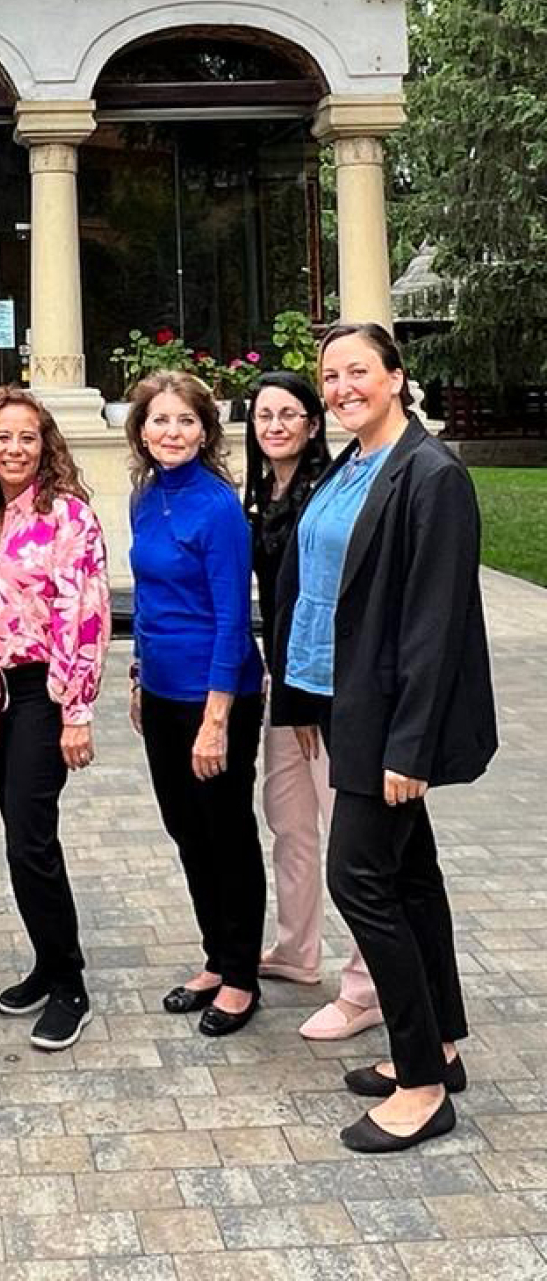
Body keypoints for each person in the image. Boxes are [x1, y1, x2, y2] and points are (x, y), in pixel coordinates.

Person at [274, 322, 497, 1154]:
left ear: (397, 376)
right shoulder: (355, 460)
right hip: (341, 700)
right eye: (329, 376)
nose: (339, 388)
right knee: (408, 875)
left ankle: (423, 1085)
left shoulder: (430, 474)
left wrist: (409, 748)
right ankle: (438, 1040)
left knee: (359, 877)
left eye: (357, 371)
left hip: (388, 718)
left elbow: (436, 623)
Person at [0, 386, 111, 1050]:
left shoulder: (68, 518)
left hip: (40, 695)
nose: (14, 448)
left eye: (27, 437)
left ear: (45, 444)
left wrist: (75, 710)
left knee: (31, 837)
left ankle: (70, 981)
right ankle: (47, 963)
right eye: (1, 437)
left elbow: (87, 618)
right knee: (19, 834)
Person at [126, 371, 266, 1036]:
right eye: (159, 420)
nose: (171, 432)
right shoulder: (146, 496)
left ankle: (241, 976)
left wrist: (215, 721)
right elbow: (150, 601)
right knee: (187, 830)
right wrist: (135, 674)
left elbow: (233, 620)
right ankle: (216, 954)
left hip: (217, 696)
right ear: (142, 430)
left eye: (185, 421)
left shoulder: (218, 507)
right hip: (159, 691)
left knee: (227, 834)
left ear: (206, 431)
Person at [246, 372, 380, 1043]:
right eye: (264, 414)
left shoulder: (329, 491)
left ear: (310, 422)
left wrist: (300, 701)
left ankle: (368, 983)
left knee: (348, 837)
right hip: (284, 681)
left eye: (288, 413)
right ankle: (298, 948)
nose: (275, 425)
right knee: (288, 821)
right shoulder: (259, 495)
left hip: (325, 690)